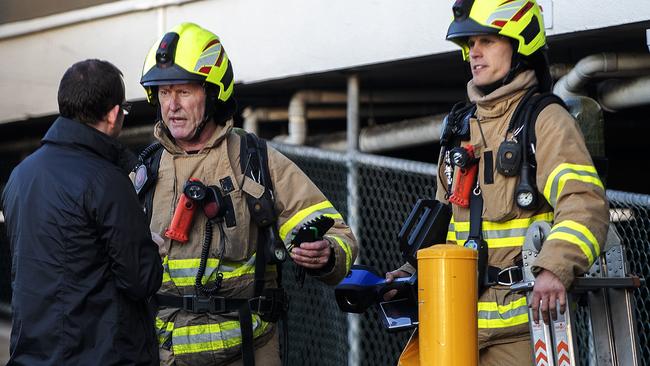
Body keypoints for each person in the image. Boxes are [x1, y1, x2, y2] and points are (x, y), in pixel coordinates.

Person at [386, 1, 609, 364]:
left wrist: (554, 267)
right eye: (470, 43)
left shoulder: (545, 120)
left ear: (521, 45)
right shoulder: (460, 127)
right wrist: (412, 274)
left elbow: (584, 202)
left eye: (487, 40)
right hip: (451, 320)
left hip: (521, 331)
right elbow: (447, 226)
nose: (474, 52)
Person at [136, 22, 358, 366]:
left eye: (184, 92)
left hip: (249, 352)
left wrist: (326, 253)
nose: (172, 106)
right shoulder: (146, 171)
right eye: (164, 93)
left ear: (212, 93)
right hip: (166, 356)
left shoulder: (254, 160)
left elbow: (337, 234)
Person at [1, 59, 164, 365]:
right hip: (98, 356)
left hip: (30, 356)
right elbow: (141, 280)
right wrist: (150, 246)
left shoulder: (20, 176)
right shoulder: (107, 181)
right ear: (114, 113)